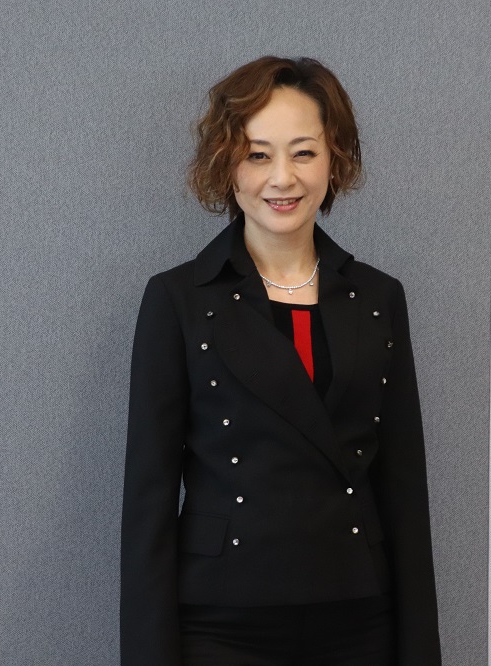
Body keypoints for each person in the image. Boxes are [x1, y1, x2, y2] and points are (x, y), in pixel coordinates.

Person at [121, 56, 441, 665]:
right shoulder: (179, 300)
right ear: (226, 164)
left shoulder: (378, 298)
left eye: (304, 152)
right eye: (257, 154)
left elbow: (404, 492)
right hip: (222, 623)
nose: (282, 178)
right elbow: (148, 503)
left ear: (334, 159)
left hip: (357, 618)